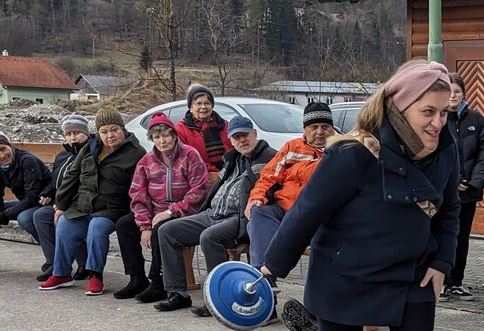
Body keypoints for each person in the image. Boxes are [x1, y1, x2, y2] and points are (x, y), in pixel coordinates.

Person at [262, 60, 460, 331]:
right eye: (428, 112)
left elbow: (450, 211)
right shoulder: (353, 154)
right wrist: (270, 268)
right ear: (400, 107)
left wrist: (442, 262)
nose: (438, 122)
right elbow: (306, 213)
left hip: (412, 273)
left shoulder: (446, 150)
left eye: (444, 112)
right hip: (347, 271)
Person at [151, 116, 276, 312]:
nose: (242, 140)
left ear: (254, 134)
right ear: (230, 140)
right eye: (236, 137)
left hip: (239, 218)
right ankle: (178, 294)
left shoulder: (269, 157)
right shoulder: (231, 159)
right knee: (167, 231)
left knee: (209, 237)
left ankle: (217, 299)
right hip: (213, 213)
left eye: (245, 135)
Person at [39, 105, 145, 296]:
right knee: (64, 224)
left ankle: (95, 275)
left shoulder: (136, 153)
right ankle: (61, 274)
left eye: (114, 129)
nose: (110, 135)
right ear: (98, 133)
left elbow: (139, 189)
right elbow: (72, 176)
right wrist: (61, 205)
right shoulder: (90, 148)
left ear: (123, 129)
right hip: (83, 206)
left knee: (96, 228)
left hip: (112, 209)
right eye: (104, 131)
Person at [116, 113, 209, 301]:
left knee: (161, 229)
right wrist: (144, 225)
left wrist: (171, 211)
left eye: (166, 135)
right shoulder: (146, 161)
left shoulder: (190, 155)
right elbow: (138, 194)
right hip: (155, 210)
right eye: (157, 137)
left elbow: (199, 191)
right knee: (124, 225)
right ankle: (137, 278)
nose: (162, 141)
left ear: (174, 136)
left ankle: (158, 282)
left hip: (184, 211)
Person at [244, 100, 335, 292]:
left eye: (325, 127)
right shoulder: (291, 147)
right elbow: (268, 177)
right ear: (305, 130)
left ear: (332, 129)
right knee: (259, 213)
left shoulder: (340, 150)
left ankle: (265, 280)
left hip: (315, 215)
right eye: (314, 127)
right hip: (284, 209)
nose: (320, 132)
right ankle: (265, 277)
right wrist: (257, 198)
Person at [444, 72, 484, 298]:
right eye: (449, 91)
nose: (453, 95)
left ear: (464, 94)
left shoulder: (477, 120)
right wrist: (451, 180)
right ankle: (441, 281)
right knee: (443, 235)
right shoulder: (438, 119)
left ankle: (456, 281)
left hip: (467, 193)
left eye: (457, 91)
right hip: (444, 192)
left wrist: (475, 183)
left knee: (461, 238)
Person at [31, 114, 91, 280]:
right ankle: (54, 262)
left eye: (77, 133)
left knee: (65, 220)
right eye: (68, 134)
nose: (73, 137)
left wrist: (63, 204)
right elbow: (56, 181)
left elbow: (85, 184)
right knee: (39, 216)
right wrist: (48, 193)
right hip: (60, 202)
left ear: (86, 133)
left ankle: (84, 263)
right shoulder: (62, 155)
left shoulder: (91, 153)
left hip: (79, 203)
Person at [0, 132, 51, 253]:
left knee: (24, 218)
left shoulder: (27, 161)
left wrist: (4, 215)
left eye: (3, 149)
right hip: (27, 201)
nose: (2, 156)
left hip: (44, 200)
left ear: (9, 145)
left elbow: (32, 196)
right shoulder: (2, 167)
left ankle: (53, 252)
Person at [175, 84, 230, 176]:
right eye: (198, 103)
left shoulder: (225, 125)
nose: (203, 107)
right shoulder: (181, 130)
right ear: (190, 108)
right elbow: (184, 160)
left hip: (230, 174)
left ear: (212, 106)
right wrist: (215, 173)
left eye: (207, 103)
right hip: (199, 177)